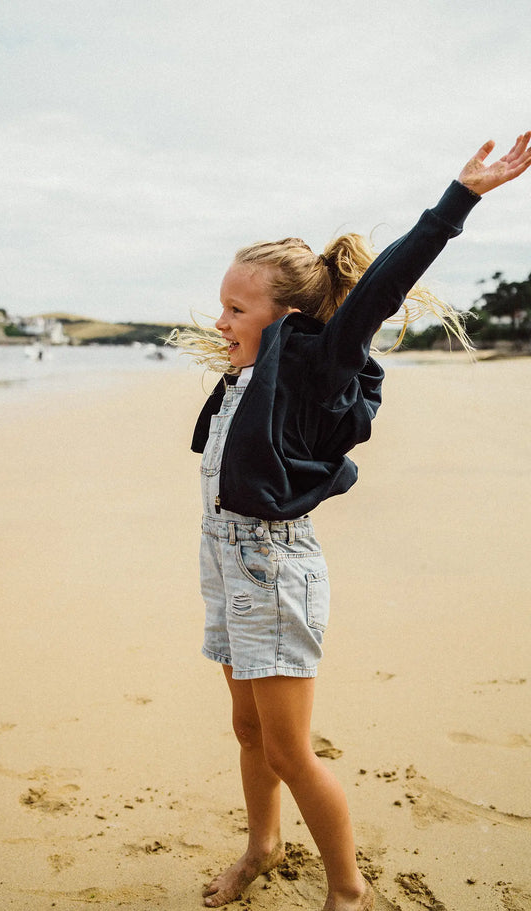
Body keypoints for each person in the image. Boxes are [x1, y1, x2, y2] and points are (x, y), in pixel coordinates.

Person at [174, 134, 531, 911]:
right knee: (246, 731)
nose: (221, 318)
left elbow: (377, 293)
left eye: (238, 307)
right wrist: (237, 338)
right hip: (227, 567)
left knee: (291, 750)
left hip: (272, 572)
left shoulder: (311, 369)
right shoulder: (245, 374)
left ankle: (347, 889)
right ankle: (262, 846)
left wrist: (459, 200)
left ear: (290, 319)